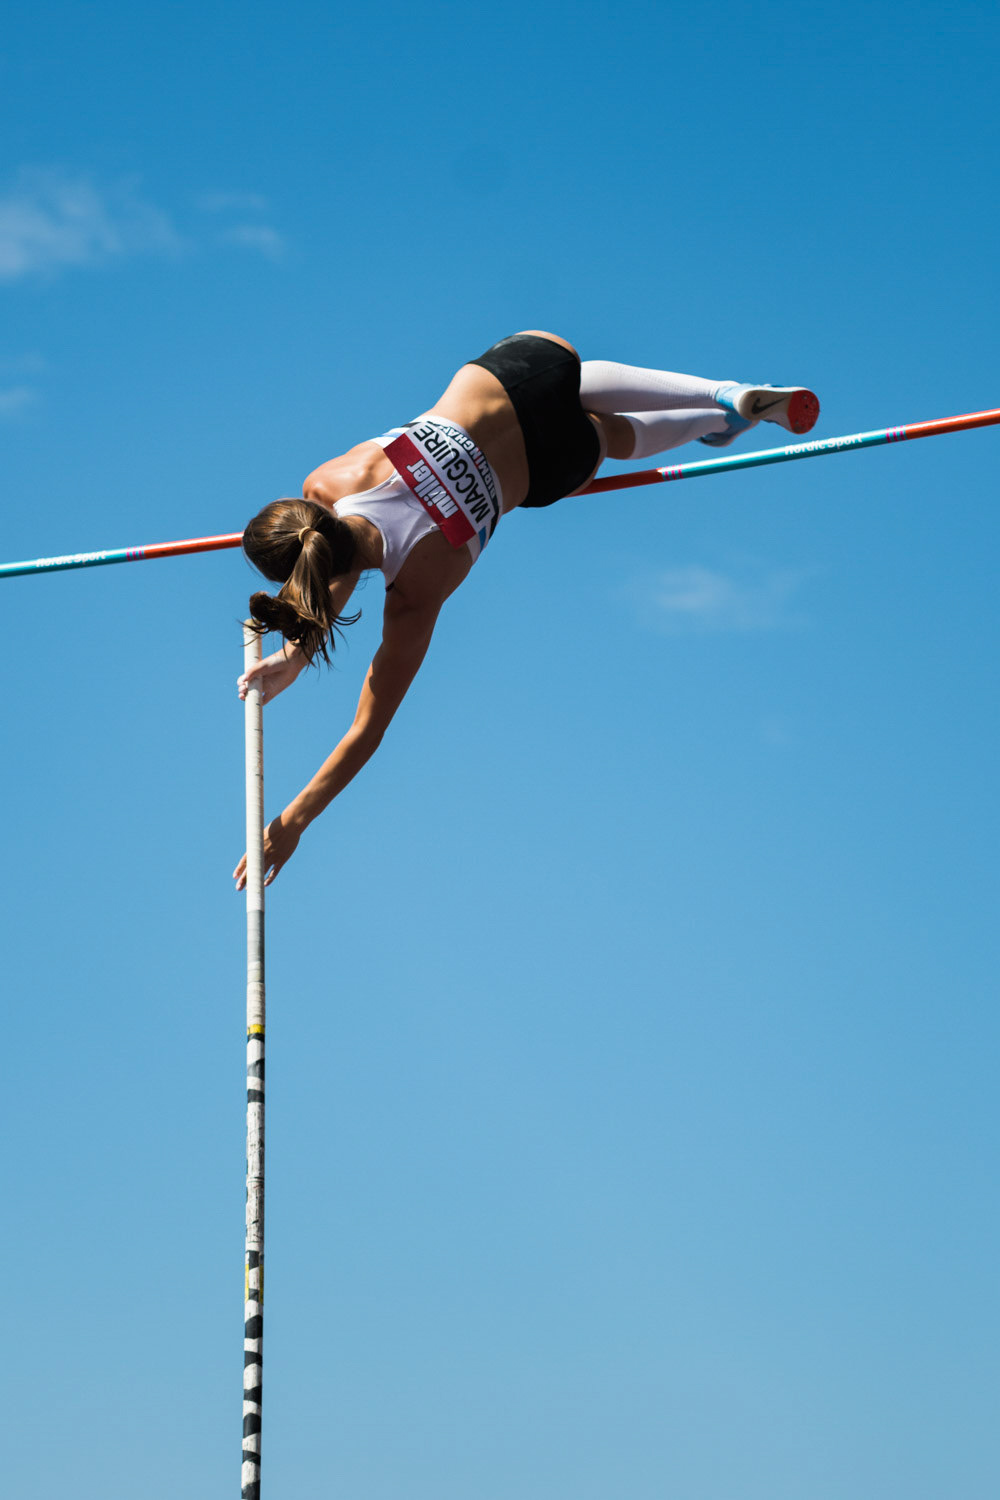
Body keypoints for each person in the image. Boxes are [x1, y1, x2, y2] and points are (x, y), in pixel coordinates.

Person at [233, 330, 818, 890]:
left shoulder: (417, 592)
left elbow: (366, 730)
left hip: (554, 461)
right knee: (576, 383)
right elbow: (333, 552)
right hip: (527, 372)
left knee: (609, 438)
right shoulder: (333, 479)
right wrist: (296, 652)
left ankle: (721, 420)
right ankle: (723, 396)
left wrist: (294, 819)